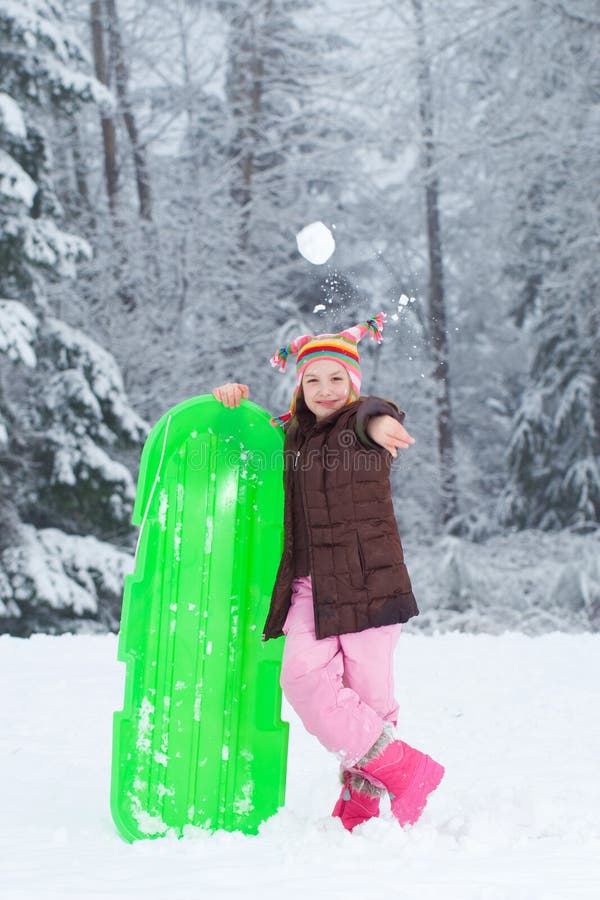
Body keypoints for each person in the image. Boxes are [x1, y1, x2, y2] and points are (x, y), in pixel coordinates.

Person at [212, 313, 444, 831]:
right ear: (299, 387)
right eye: (312, 379)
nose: (325, 389)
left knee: (370, 699)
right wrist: (233, 401)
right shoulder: (291, 435)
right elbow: (248, 439)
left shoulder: (361, 427)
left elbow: (375, 414)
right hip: (309, 587)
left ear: (354, 384)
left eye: (337, 378)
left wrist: (380, 419)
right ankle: (404, 768)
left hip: (369, 584)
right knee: (301, 677)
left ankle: (361, 805)